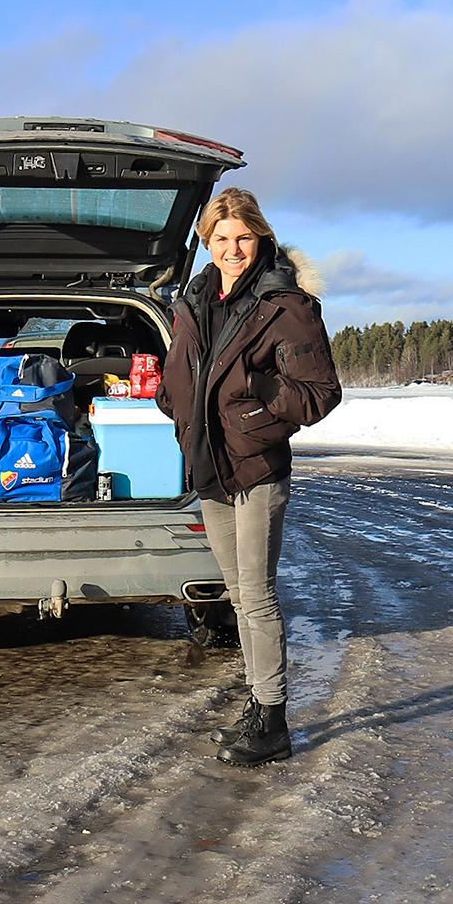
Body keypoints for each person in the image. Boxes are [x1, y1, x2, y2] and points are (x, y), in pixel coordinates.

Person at [157, 187, 341, 767]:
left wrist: (261, 395)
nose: (232, 249)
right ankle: (260, 704)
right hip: (210, 465)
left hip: (256, 465)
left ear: (260, 236)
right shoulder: (196, 299)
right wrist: (172, 401)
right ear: (206, 243)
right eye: (220, 239)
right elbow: (182, 373)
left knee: (257, 598)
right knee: (237, 596)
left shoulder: (286, 304)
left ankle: (275, 720)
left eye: (242, 237)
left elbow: (320, 394)